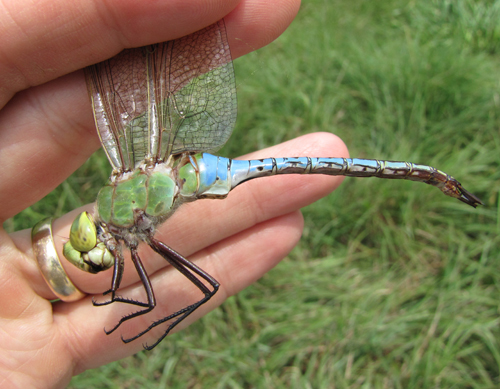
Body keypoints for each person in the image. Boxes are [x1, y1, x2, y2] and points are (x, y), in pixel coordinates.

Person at [0, 0, 347, 386]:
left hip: (192, 173)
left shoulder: (123, 231)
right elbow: (118, 284)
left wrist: (123, 300)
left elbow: (144, 294)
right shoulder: (124, 196)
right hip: (175, 172)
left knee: (190, 290)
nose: (93, 248)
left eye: (89, 244)